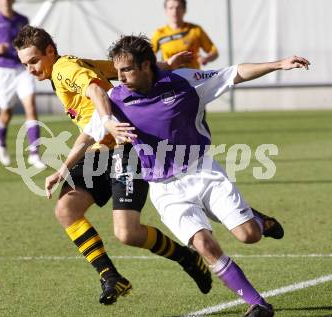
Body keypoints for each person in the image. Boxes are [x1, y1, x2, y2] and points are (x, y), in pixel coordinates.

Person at [50, 35, 309, 316]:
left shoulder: (185, 81)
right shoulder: (116, 99)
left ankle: (258, 220)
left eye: (126, 70)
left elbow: (234, 73)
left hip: (203, 172)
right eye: (118, 70)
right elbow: (87, 137)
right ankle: (258, 304)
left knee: (248, 235)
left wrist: (279, 64)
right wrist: (63, 169)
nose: (119, 77)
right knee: (205, 245)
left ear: (146, 65)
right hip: (165, 189)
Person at [13, 26, 212, 305]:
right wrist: (165, 66)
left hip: (124, 146)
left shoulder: (63, 70)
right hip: (98, 150)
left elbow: (95, 89)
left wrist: (107, 121)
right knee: (66, 209)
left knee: (127, 233)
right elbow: (117, 70)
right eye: (25, 64)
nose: (31, 69)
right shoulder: (73, 64)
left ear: (49, 51)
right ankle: (110, 276)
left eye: (34, 61)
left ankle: (186, 257)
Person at [0, 0, 45, 169]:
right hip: (2, 72)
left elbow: (31, 42)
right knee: (6, 113)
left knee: (31, 108)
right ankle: (1, 142)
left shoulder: (23, 20)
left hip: (22, 70)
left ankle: (34, 154)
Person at [152, 0, 218, 69]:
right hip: (171, 76)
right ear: (166, 11)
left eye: (178, 7)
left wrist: (206, 59)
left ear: (184, 10)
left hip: (193, 77)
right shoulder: (159, 33)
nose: (175, 11)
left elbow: (214, 52)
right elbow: (149, 57)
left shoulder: (195, 29)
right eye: (171, 8)